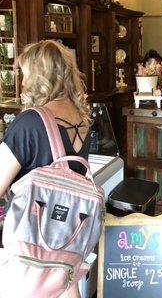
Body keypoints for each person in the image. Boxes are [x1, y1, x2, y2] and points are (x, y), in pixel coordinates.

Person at [0, 40, 91, 298]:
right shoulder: (81, 117)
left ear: (41, 76)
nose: (23, 82)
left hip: (31, 251)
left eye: (26, 73)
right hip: (66, 244)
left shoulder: (30, 121)